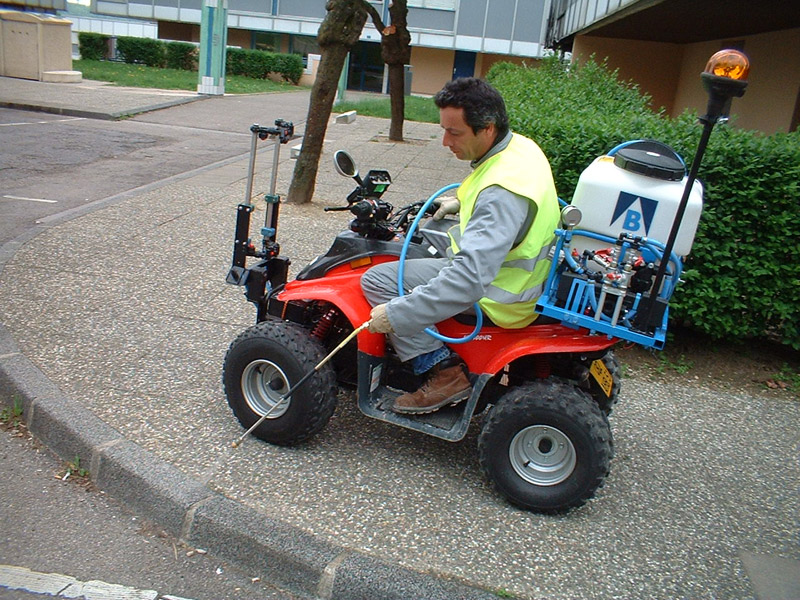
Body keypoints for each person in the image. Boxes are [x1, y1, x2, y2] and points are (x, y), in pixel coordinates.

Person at [360, 77, 560, 415]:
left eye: (455, 133)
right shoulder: (520, 149)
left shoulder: (500, 194)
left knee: (378, 280)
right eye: (444, 130)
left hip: (502, 293)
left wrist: (396, 314)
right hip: (522, 276)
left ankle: (443, 373)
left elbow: (468, 280)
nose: (444, 141)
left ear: (487, 129)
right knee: (431, 240)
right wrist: (460, 204)